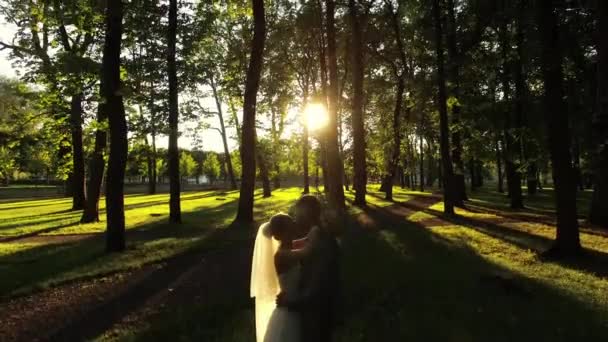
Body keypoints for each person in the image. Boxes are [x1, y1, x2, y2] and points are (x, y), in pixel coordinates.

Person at [277, 195, 341, 342]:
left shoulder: (321, 242)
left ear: (306, 214)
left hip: (317, 315)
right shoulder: (317, 235)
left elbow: (316, 287)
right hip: (315, 313)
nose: (295, 218)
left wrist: (290, 302)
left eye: (297, 214)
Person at [251, 213, 301, 342]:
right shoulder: (282, 255)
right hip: (289, 309)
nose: (295, 227)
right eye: (291, 226)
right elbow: (308, 251)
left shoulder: (291, 247)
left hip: (295, 304)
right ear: (283, 233)